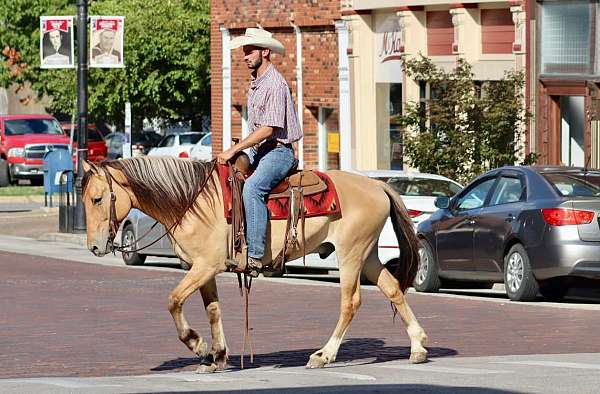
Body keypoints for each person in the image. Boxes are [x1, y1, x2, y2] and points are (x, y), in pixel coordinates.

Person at [217, 27, 303, 275]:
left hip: (278, 151)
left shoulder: (275, 84)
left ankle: (255, 256)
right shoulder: (256, 84)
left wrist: (235, 147)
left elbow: (268, 129)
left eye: (249, 51)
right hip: (260, 150)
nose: (245, 56)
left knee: (253, 188)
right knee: (225, 173)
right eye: (244, 51)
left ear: (265, 52)